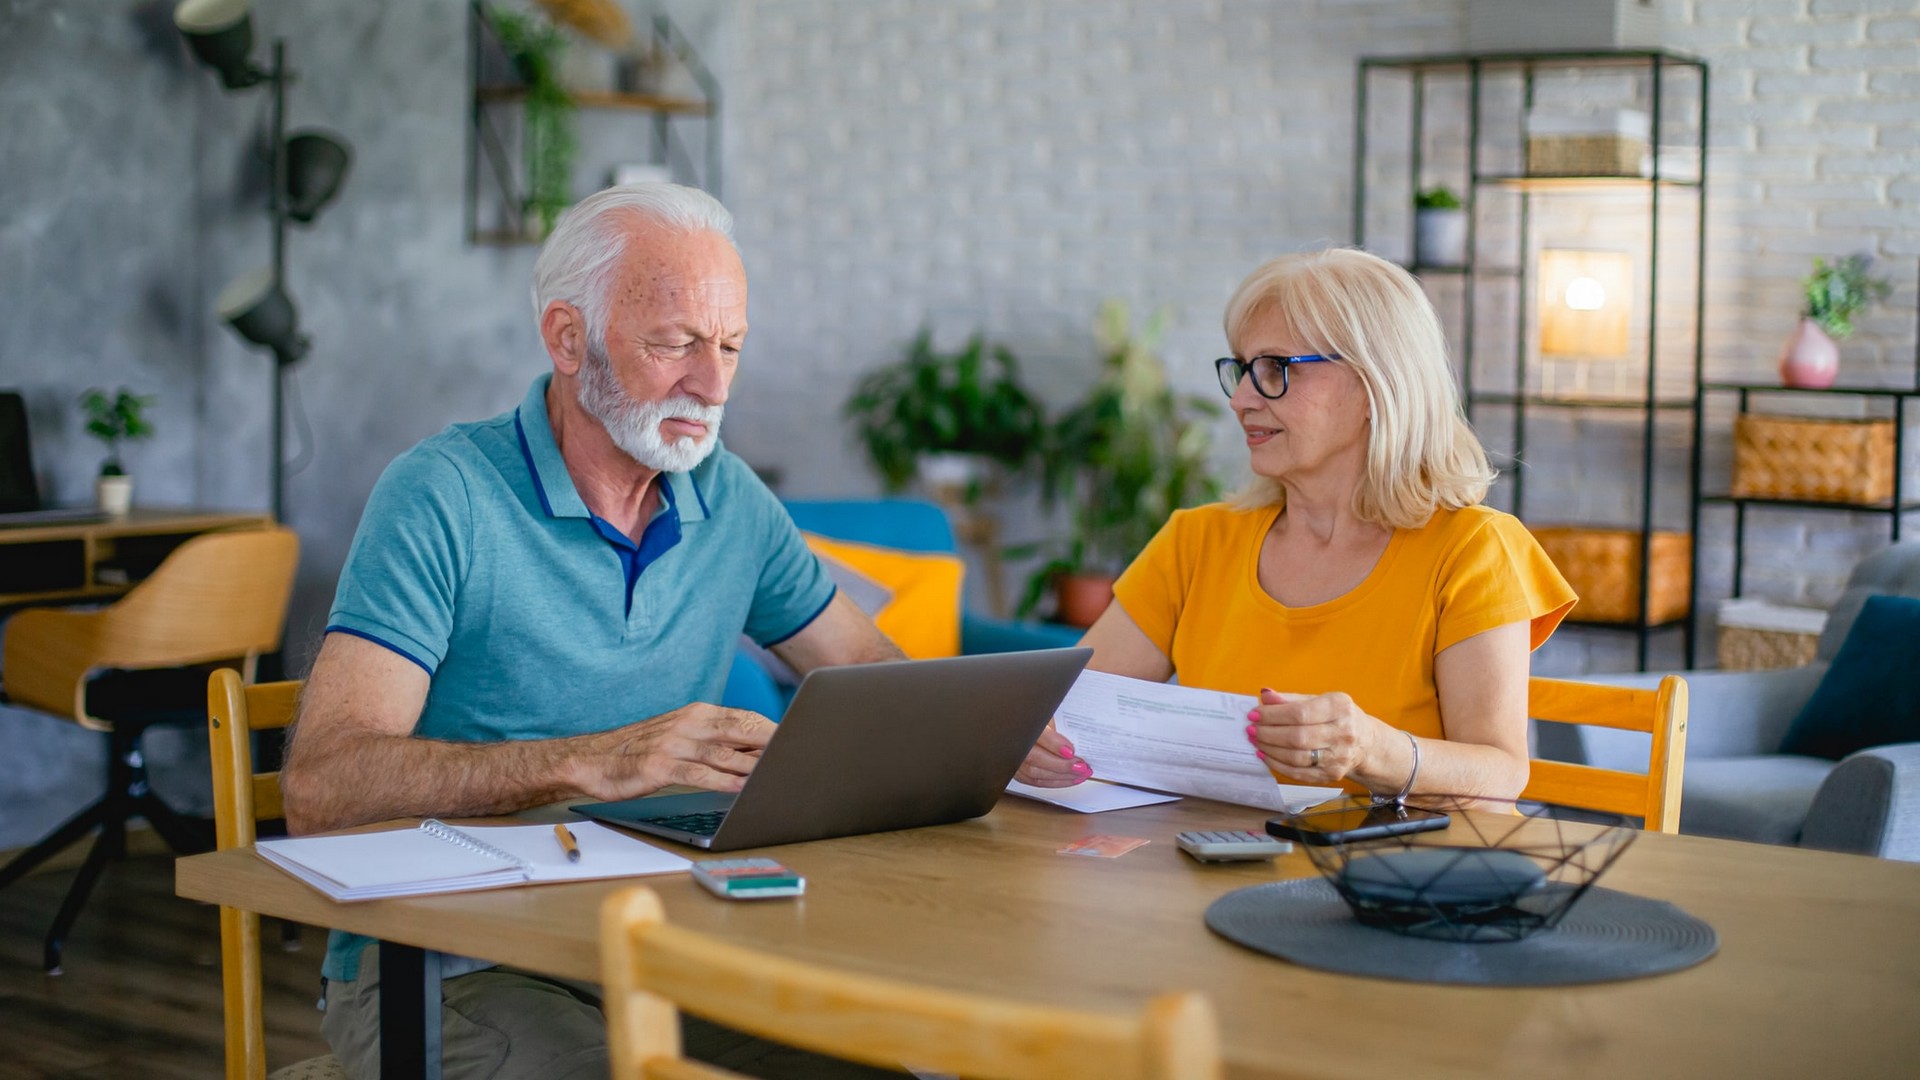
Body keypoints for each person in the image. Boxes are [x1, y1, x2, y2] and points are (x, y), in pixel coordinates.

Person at [280, 183, 906, 1080]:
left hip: (650, 939)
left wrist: (971, 729)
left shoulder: (727, 497)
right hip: (446, 959)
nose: (714, 384)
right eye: (676, 343)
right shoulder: (442, 493)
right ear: (569, 338)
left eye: (730, 346)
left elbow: (864, 667)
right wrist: (594, 759)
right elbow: (321, 786)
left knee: (882, 1063)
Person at [1016, 247, 1576, 805]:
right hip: (1210, 862)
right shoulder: (1197, 541)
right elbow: (1069, 713)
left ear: (1374, 385)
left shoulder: (1474, 550)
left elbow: (1502, 772)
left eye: (1274, 369)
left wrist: (1371, 749)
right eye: (1240, 369)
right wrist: (1037, 736)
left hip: (1395, 876)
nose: (1239, 400)